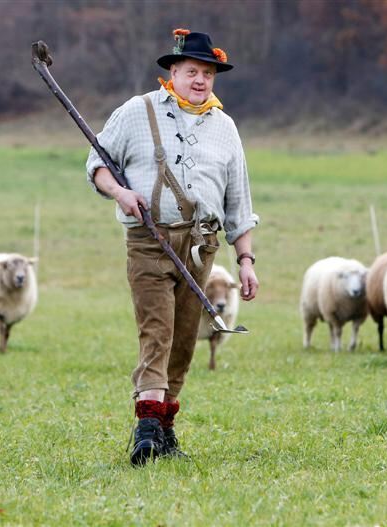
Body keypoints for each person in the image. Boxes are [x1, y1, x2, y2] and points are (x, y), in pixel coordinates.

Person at [86, 29, 260, 465]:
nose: (200, 80)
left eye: (207, 73)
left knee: (184, 339)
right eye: (191, 72)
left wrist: (246, 259)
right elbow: (97, 165)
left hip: (202, 246)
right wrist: (120, 194)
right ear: (173, 73)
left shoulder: (225, 128)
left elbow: (239, 201)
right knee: (157, 332)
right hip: (149, 239)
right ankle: (145, 428)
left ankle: (164, 430)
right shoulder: (136, 111)